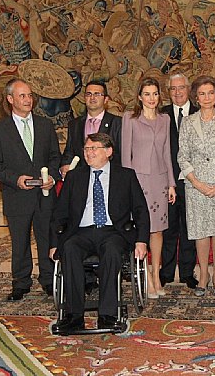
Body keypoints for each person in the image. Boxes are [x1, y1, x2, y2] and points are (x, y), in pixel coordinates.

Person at [49, 133, 150, 334]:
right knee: (68, 248)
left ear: (109, 151)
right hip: (82, 231)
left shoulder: (125, 175)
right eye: (86, 149)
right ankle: (73, 316)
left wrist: (141, 240)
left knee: (112, 251)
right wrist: (54, 243)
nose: (89, 153)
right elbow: (59, 213)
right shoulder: (75, 177)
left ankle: (108, 314)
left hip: (113, 231)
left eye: (94, 148)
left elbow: (141, 210)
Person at [0, 78, 61, 301]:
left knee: (47, 239)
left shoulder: (45, 126)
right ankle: (21, 283)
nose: (28, 100)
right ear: (10, 99)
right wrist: (15, 179)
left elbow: (55, 157)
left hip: (44, 195)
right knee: (19, 242)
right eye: (22, 96)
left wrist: (53, 177)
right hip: (17, 195)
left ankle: (48, 280)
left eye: (29, 96)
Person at [177, 75, 215, 298]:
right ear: (195, 96)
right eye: (202, 93)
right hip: (196, 186)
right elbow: (182, 156)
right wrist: (196, 182)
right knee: (200, 231)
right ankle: (203, 275)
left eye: (210, 93)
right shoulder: (187, 122)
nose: (206, 97)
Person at [121, 77, 176, 298]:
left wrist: (171, 183)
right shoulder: (130, 119)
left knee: (158, 230)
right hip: (138, 179)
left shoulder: (165, 119)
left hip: (160, 179)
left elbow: (167, 153)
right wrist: (125, 187)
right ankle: (143, 280)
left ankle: (155, 277)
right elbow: (126, 155)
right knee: (141, 229)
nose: (151, 98)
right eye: (147, 94)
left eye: (155, 94)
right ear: (139, 97)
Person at [160, 73, 199, 289]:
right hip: (168, 181)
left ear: (188, 89)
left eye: (181, 88)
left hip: (193, 182)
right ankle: (165, 272)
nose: (177, 93)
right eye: (173, 89)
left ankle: (186, 272)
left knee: (189, 229)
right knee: (168, 229)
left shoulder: (200, 113)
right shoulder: (161, 115)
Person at [60, 81, 122, 176]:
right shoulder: (74, 124)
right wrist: (64, 166)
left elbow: (122, 154)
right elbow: (69, 152)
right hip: (81, 180)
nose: (92, 98)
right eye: (89, 94)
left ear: (106, 99)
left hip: (110, 178)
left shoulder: (118, 123)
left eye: (97, 94)